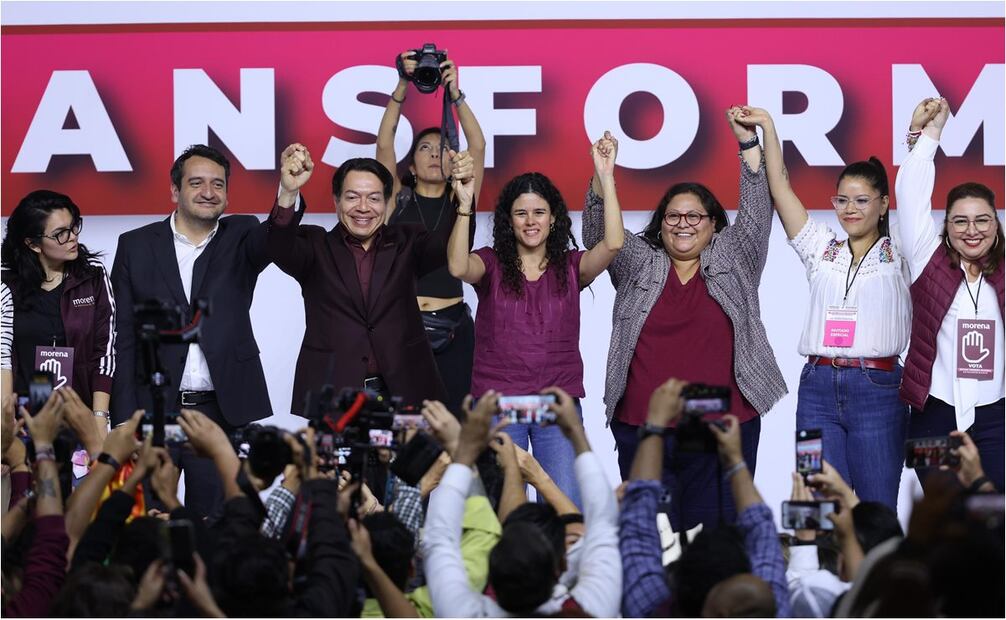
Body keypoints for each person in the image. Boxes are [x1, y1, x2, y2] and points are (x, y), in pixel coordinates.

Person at [584, 108, 786, 531]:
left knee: (720, 539)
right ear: (661, 224)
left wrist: (749, 143)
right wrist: (602, 176)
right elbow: (598, 237)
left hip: (724, 426)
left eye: (695, 216)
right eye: (674, 216)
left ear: (714, 224)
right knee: (652, 535)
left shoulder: (734, 257)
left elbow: (755, 211)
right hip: (643, 424)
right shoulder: (640, 262)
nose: (683, 225)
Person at [736, 107, 912, 510]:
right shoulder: (822, 248)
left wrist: (920, 139)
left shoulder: (901, 251)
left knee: (876, 505)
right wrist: (766, 129)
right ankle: (815, 573)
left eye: (862, 200)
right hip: (816, 385)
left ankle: (875, 573)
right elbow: (779, 187)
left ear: (884, 204)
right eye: (842, 200)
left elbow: (917, 205)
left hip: (878, 389)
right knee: (814, 499)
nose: (849, 209)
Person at [447, 132, 624, 507]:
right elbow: (457, 265)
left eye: (539, 212)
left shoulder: (571, 267)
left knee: (564, 506)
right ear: (508, 221)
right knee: (499, 507)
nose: (531, 221)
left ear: (553, 217)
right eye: (521, 213)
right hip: (498, 405)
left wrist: (606, 177)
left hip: (556, 404)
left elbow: (612, 244)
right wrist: (463, 206)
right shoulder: (491, 263)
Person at [110, 144, 274, 518]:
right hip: (153, 411)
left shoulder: (243, 233)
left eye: (218, 184)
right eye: (196, 183)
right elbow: (124, 336)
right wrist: (122, 419)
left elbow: (277, 234)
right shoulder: (134, 245)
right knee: (149, 526)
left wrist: (289, 193)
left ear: (228, 193)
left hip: (219, 412)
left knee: (215, 526)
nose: (208, 192)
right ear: (174, 191)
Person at [268, 145, 476, 412]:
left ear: (388, 202)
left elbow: (453, 246)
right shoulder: (314, 245)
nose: (363, 208)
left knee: (410, 456)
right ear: (336, 200)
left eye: (374, 198)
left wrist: (465, 202)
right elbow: (276, 246)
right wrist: (288, 191)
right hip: (335, 395)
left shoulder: (408, 242)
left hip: (405, 392)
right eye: (352, 197)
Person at [423, 388, 621, 618]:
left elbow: (439, 538)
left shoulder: (461, 612)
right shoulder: (591, 609)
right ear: (562, 568)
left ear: (489, 576)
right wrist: (575, 431)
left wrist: (463, 451)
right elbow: (603, 527)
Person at [895, 97, 1005, 492]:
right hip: (933, 415)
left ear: (996, 224)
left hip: (996, 420)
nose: (971, 230)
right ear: (946, 226)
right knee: (941, 519)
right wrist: (930, 135)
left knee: (994, 519)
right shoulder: (928, 259)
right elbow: (910, 196)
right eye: (960, 220)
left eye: (982, 220)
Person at [618, 378, 791, 618]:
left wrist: (654, 424)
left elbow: (637, 530)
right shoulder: (764, 605)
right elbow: (762, 531)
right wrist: (734, 460)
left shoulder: (649, 609)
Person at [377, 49, 486, 416]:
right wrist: (402, 84)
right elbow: (384, 145)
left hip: (454, 328)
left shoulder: (463, 198)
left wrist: (455, 93)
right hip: (403, 328)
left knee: (455, 424)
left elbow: (478, 145)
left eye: (442, 147)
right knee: (403, 428)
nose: (435, 154)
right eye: (425, 147)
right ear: (412, 163)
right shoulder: (396, 200)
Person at [1, 190, 115, 423]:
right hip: (22, 419)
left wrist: (99, 417)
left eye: (74, 227)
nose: (73, 237)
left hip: (80, 415)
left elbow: (105, 352)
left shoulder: (93, 276)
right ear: (33, 244)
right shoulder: (6, 284)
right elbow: (3, 356)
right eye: (60, 234)